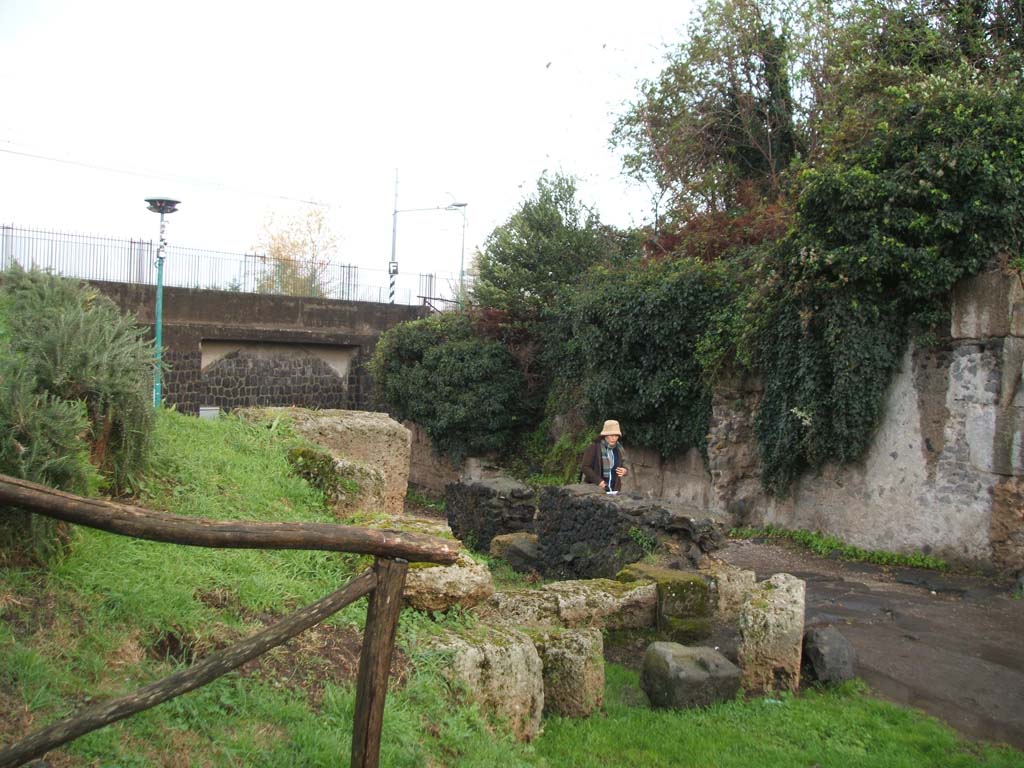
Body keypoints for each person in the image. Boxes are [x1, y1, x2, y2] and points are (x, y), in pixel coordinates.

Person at [580, 420, 629, 492]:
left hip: (614, 490)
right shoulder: (594, 447)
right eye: (611, 435)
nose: (614, 438)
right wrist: (599, 481)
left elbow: (624, 465)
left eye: (616, 436)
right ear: (605, 435)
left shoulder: (619, 449)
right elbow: (585, 467)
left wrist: (625, 471)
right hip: (595, 490)